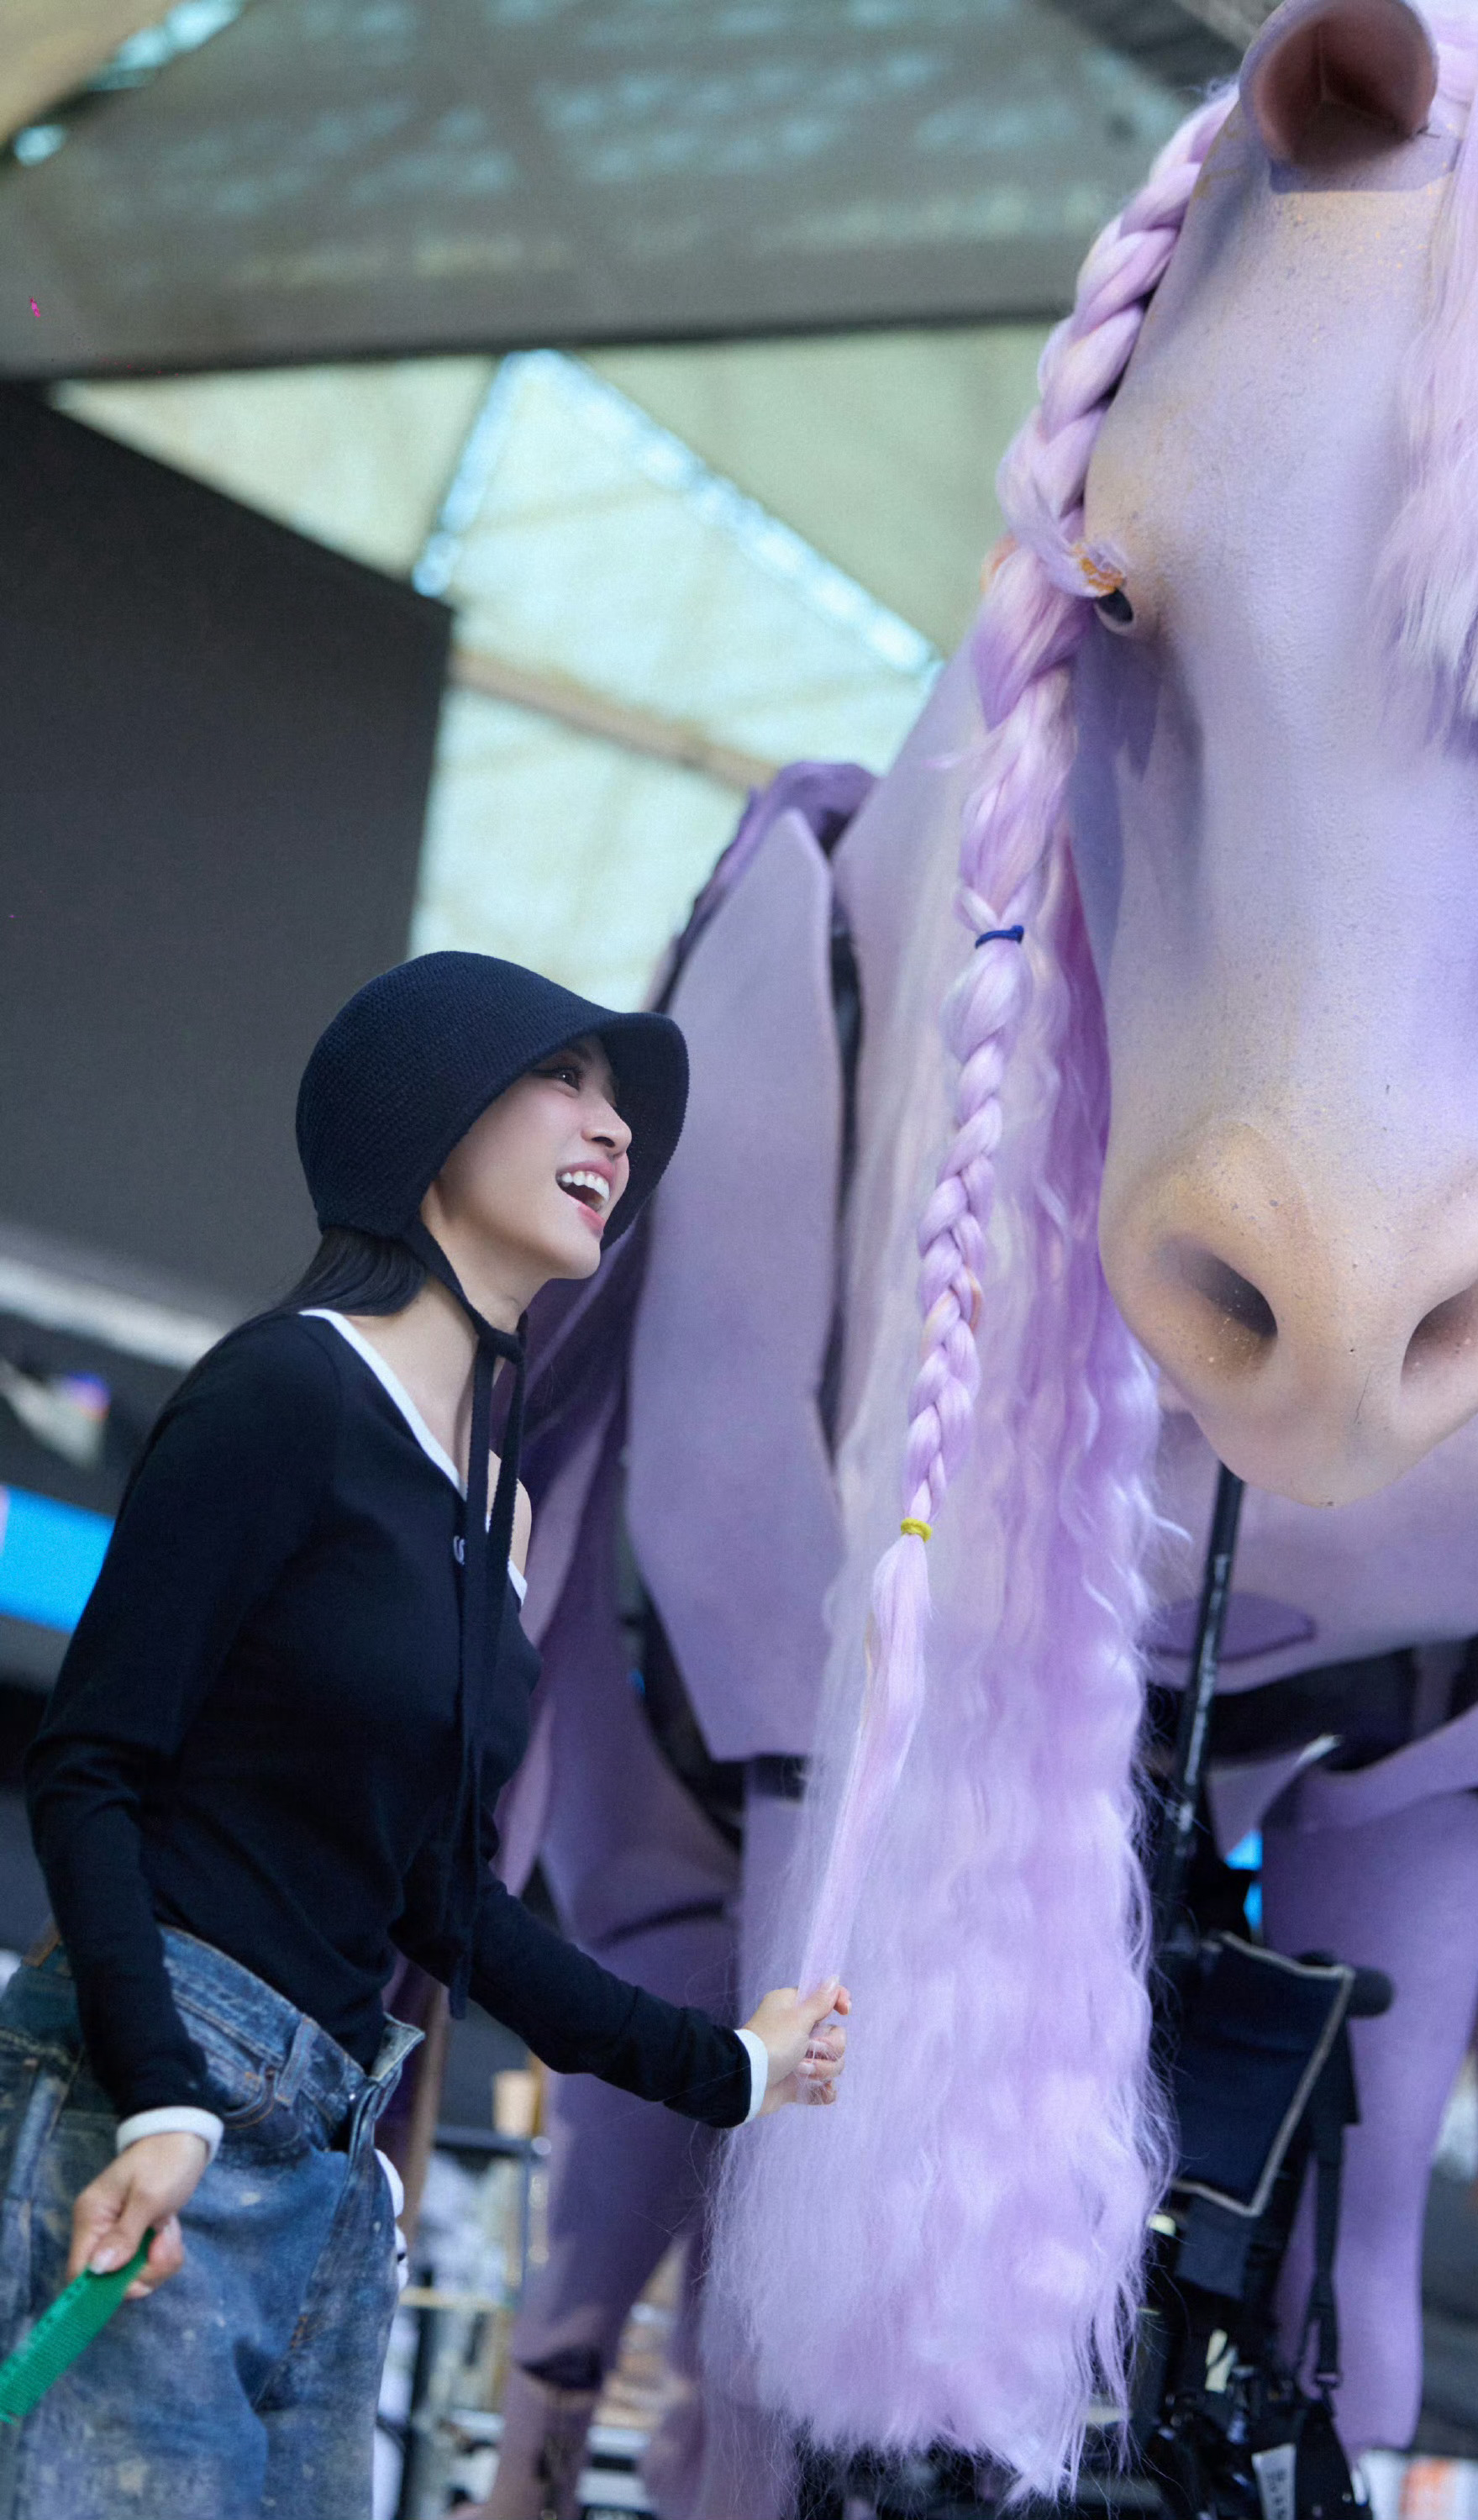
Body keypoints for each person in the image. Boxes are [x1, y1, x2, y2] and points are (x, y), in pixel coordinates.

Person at [0, 951, 849, 2520]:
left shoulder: (494, 1515)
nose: (613, 1130)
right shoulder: (288, 1391)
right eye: (564, 1080)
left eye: (621, 1103)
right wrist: (162, 2091)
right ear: (429, 1115)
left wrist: (726, 2069)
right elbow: (91, 1765)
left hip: (330, 2166)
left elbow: (444, 1901)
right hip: (160, 2109)